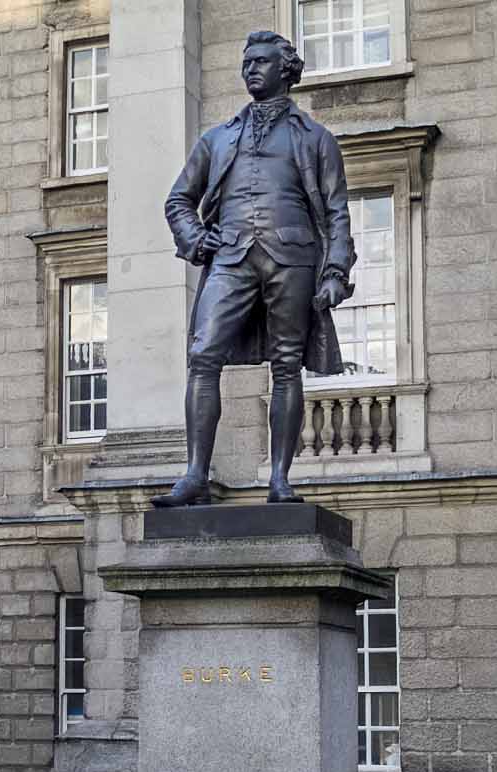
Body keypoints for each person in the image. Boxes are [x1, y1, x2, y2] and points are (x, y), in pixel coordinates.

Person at [152, 29, 356, 508]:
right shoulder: (218, 138)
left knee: (287, 366)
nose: (250, 69)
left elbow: (336, 209)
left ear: (285, 70)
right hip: (231, 256)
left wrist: (335, 272)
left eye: (260, 62)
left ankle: (280, 479)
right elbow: (179, 199)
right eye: (246, 63)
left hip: (294, 257)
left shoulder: (316, 138)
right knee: (203, 356)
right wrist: (197, 239)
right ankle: (195, 474)